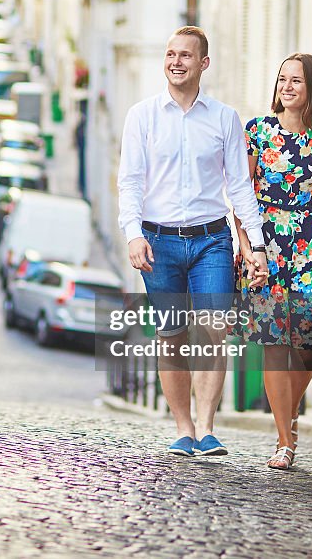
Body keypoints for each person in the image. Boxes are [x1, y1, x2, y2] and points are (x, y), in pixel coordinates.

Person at [118, 26, 268, 458]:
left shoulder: (224, 118)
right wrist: (133, 235)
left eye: (186, 55)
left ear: (203, 64)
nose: (176, 61)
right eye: (170, 54)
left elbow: (240, 187)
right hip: (157, 241)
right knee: (171, 336)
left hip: (211, 241)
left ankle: (206, 427)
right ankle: (183, 428)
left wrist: (254, 245)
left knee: (214, 330)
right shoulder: (142, 116)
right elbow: (129, 182)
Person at [235, 53, 312, 471]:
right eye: (282, 78)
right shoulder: (258, 131)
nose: (287, 86)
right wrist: (247, 248)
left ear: (311, 87)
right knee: (274, 344)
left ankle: (289, 410)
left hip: (305, 246)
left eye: (296, 80)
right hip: (265, 244)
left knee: (305, 351)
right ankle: (285, 440)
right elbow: (241, 193)